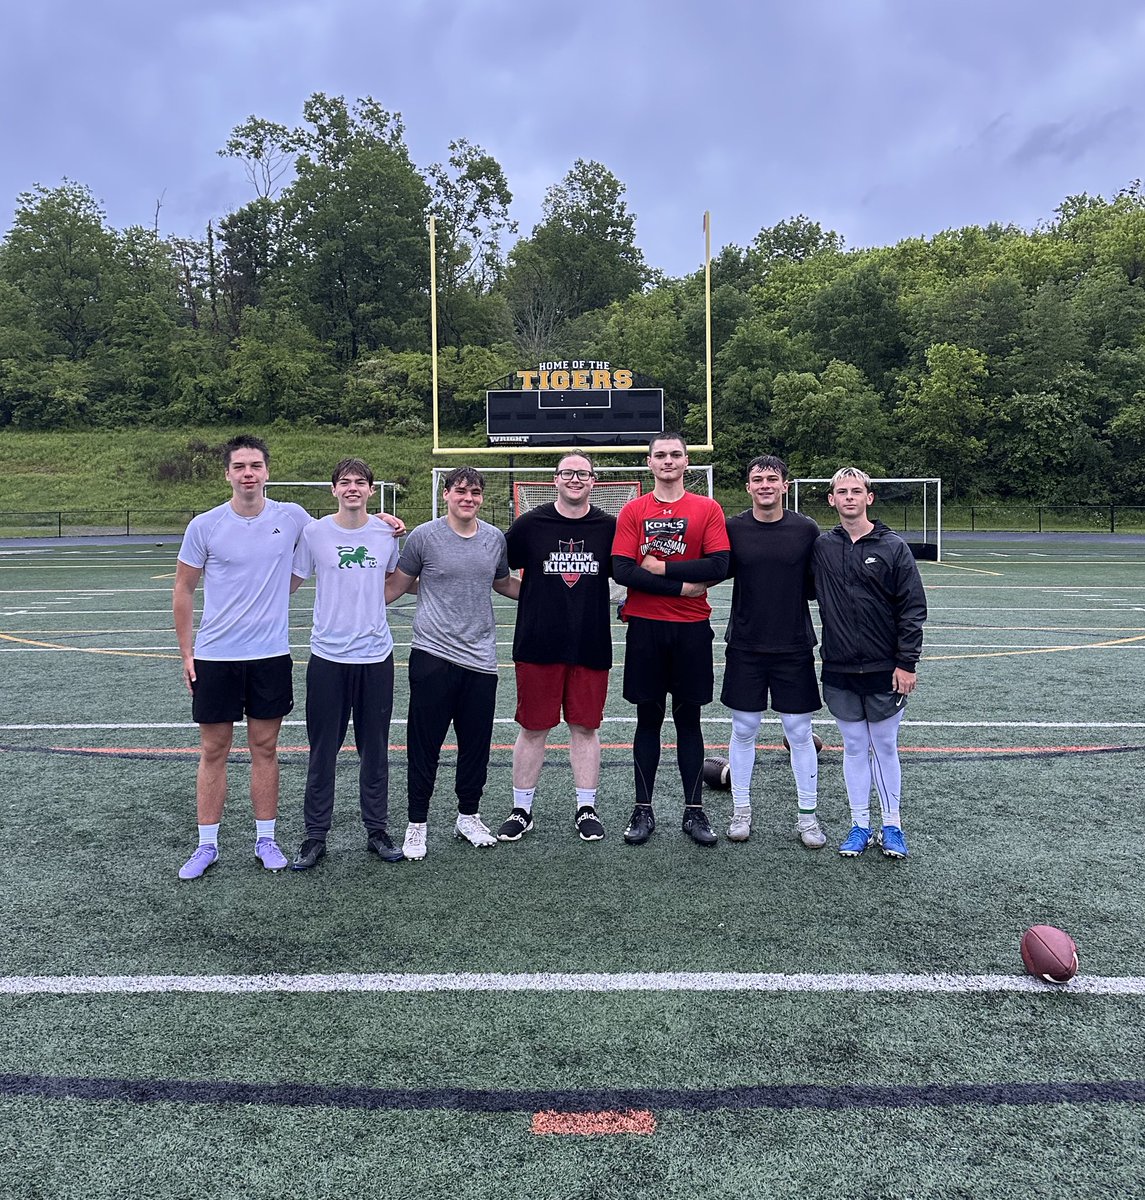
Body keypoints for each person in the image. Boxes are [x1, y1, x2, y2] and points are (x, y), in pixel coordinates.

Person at [172, 435, 401, 881]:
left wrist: (384, 522)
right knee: (213, 749)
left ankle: (267, 839)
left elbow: (346, 541)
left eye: (255, 465)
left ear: (267, 472)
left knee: (266, 748)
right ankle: (207, 845)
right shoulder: (206, 525)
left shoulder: (294, 518)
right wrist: (186, 651)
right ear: (228, 473)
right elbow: (183, 588)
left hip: (272, 654)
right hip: (217, 654)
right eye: (239, 466)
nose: (248, 473)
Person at [385, 466, 519, 860]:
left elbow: (502, 583)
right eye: (461, 490)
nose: (468, 498)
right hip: (432, 655)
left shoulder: (494, 538)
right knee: (424, 745)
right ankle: (416, 824)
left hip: (481, 659)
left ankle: (468, 816)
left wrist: (550, 596)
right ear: (446, 494)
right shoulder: (424, 536)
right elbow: (394, 587)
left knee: (475, 746)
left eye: (475, 492)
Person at [611, 431, 730, 847]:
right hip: (645, 626)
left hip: (691, 630)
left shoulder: (707, 508)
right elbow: (623, 570)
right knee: (647, 720)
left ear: (685, 462)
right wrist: (681, 585)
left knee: (689, 721)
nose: (667, 461)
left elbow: (719, 563)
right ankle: (643, 809)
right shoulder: (633, 510)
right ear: (649, 463)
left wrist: (661, 570)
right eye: (659, 455)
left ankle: (694, 810)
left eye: (675, 454)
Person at [288, 458, 404, 870]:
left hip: (376, 657)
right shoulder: (315, 533)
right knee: (323, 751)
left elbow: (394, 581)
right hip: (327, 657)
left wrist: (369, 608)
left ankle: (377, 830)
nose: (352, 488)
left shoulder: (386, 533)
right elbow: (290, 582)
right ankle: (315, 835)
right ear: (333, 489)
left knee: (375, 750)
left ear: (372, 489)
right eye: (344, 482)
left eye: (360, 482)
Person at [496, 452, 616, 843]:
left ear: (594, 481)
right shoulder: (530, 524)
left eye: (582, 473)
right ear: (555, 479)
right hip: (538, 643)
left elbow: (631, 572)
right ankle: (522, 809)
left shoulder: (610, 527)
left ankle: (586, 807)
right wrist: (530, 596)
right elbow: (499, 575)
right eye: (568, 473)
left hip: (591, 642)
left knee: (585, 726)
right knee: (533, 727)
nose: (575, 479)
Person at [811, 467, 927, 859]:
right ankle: (860, 824)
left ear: (869, 498)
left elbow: (912, 609)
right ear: (831, 499)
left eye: (855, 491)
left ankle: (891, 825)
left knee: (886, 745)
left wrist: (906, 663)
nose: (848, 498)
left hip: (884, 668)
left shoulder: (894, 547)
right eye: (840, 492)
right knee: (854, 745)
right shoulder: (823, 547)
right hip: (839, 667)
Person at [721, 455, 825, 846]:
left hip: (794, 645)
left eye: (772, 479)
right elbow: (710, 569)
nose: (764, 484)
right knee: (743, 728)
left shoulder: (805, 529)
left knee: (799, 732)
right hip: (746, 644)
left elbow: (820, 584)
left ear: (785, 485)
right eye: (757, 479)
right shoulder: (732, 528)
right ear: (748, 487)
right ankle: (741, 812)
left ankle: (807, 818)